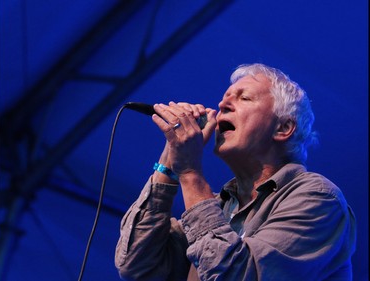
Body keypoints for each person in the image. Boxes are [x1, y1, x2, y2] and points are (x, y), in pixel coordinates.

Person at [114, 63, 356, 280]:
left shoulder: (318, 198)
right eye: (225, 98)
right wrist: (170, 159)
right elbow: (136, 265)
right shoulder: (218, 207)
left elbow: (238, 275)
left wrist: (190, 173)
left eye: (245, 98)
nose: (221, 105)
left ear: (283, 128)